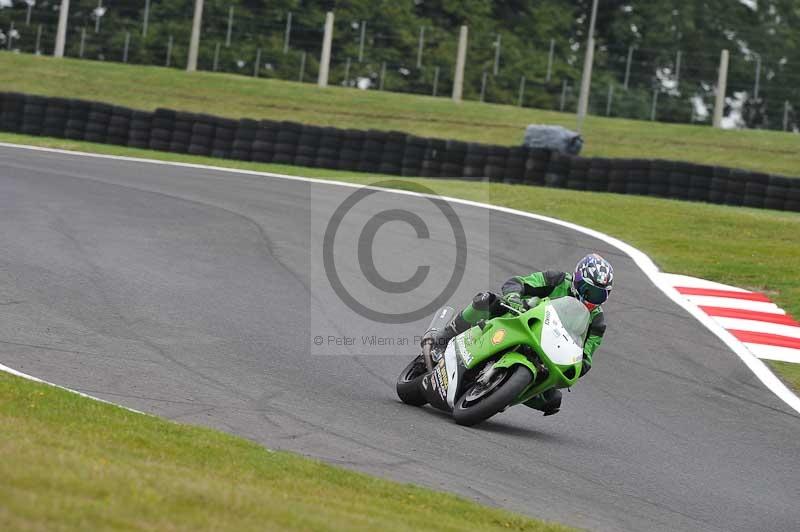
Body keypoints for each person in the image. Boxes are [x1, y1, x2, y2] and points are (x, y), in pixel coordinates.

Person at [429, 253, 613, 417]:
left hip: (549, 351)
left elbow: (587, 355)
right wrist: (514, 297)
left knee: (552, 399)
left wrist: (577, 365)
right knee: (486, 300)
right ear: (577, 280)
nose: (591, 299)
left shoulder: (597, 322)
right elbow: (517, 283)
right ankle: (442, 339)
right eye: (589, 291)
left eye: (599, 296)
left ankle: (501, 395)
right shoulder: (556, 280)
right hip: (519, 318)